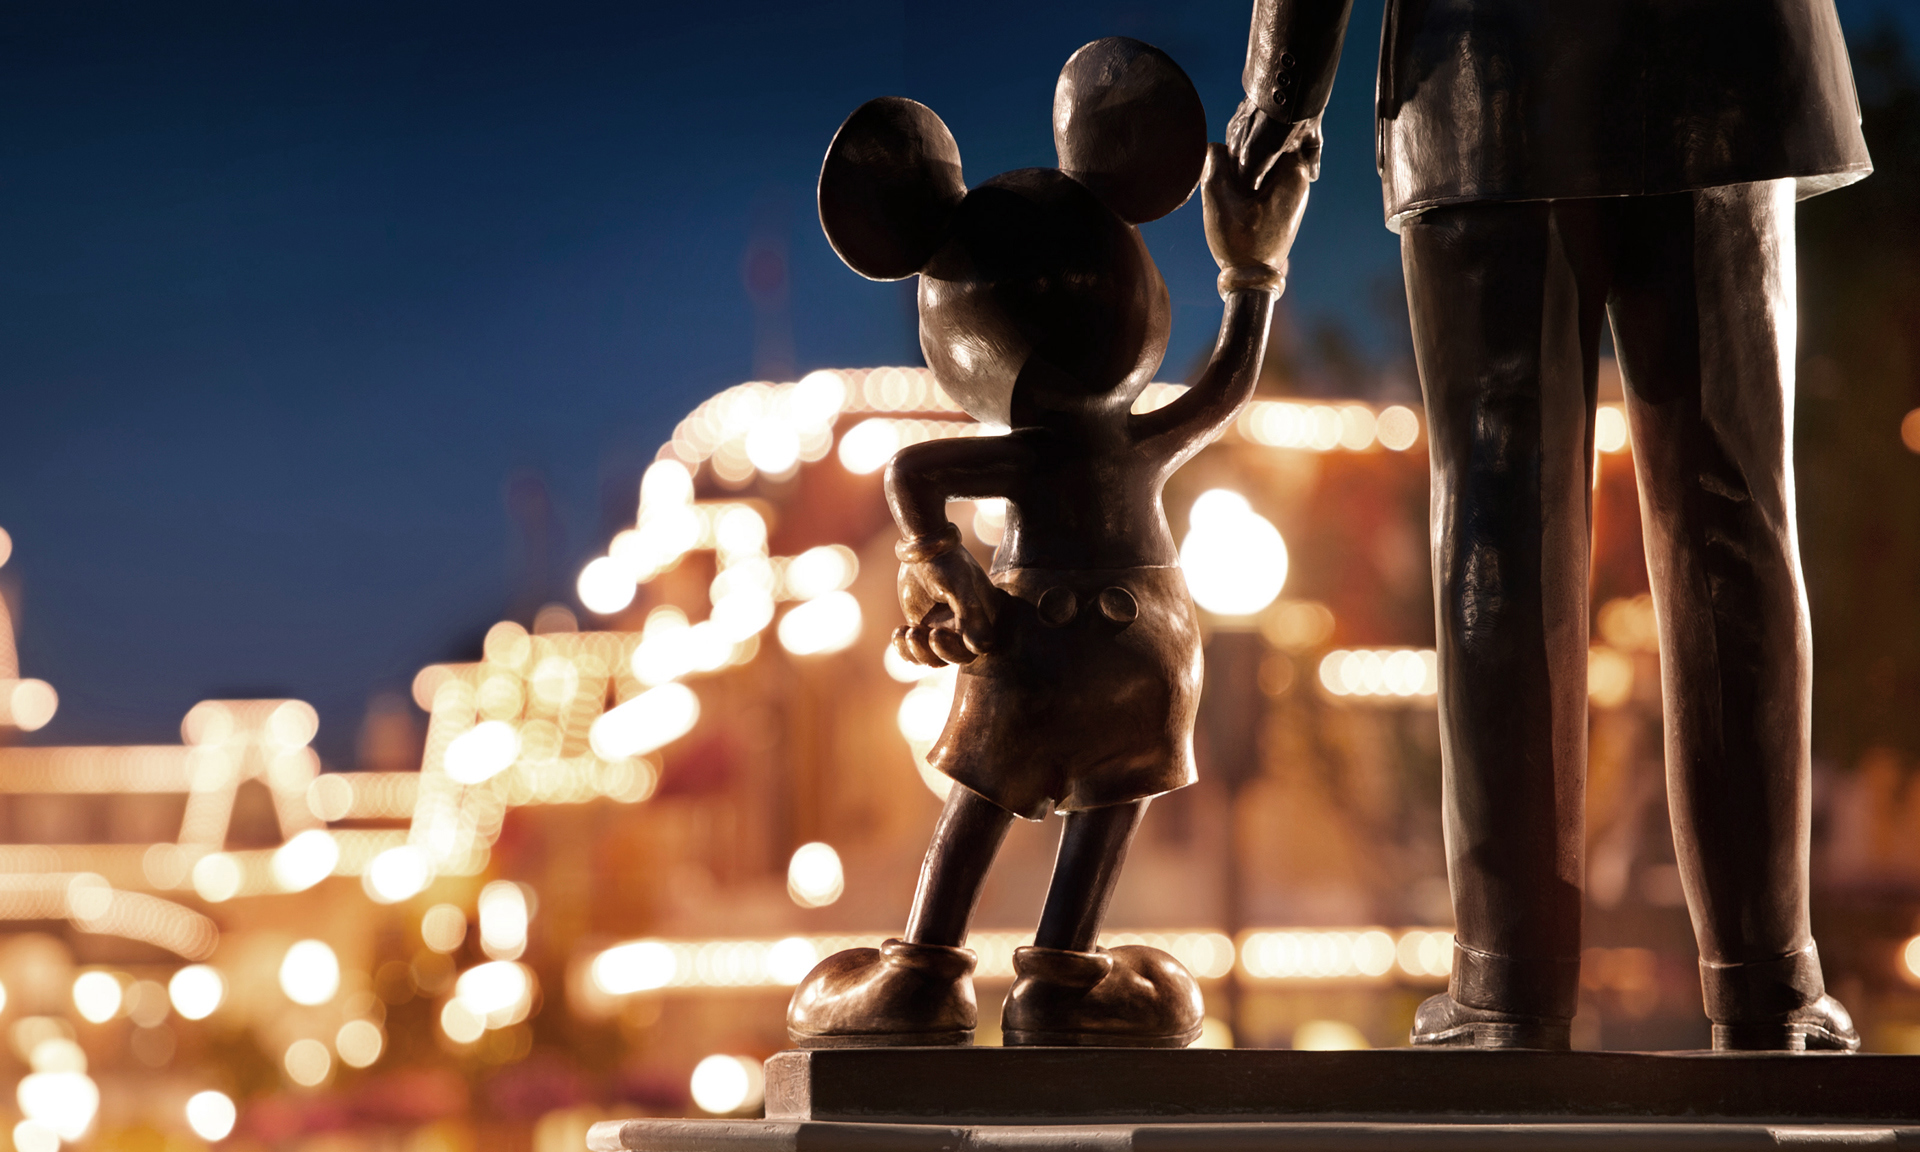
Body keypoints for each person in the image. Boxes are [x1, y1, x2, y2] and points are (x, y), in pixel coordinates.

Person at [1229, 0, 1872, 1050]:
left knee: (1497, 505)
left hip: (1481, 61)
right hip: (1728, 57)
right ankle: (1774, 991)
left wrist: (1278, 104)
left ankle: (1505, 991)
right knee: (1734, 515)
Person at [786, 37, 1309, 1048]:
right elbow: (1228, 381)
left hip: (1029, 639)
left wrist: (933, 562)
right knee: (1112, 798)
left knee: (980, 796)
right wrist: (1253, 269)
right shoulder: (1134, 444)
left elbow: (911, 477)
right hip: (1149, 644)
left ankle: (922, 974)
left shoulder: (1030, 456)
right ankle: (1062, 979)